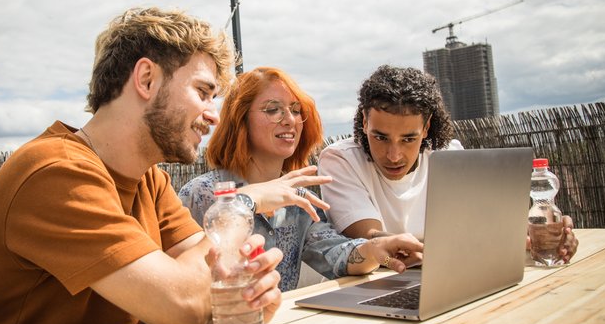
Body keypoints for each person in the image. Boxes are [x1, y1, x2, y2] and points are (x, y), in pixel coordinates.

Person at [0, 7, 283, 324]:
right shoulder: (53, 172)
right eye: (203, 92)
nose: (214, 115)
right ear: (146, 78)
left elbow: (212, 279)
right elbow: (184, 303)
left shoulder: (149, 179)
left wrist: (243, 293)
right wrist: (241, 203)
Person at [179, 67, 424, 291]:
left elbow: (334, 253)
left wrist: (375, 250)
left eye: (296, 110)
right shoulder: (202, 194)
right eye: (273, 109)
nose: (290, 119)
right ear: (240, 119)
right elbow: (180, 280)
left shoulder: (300, 201)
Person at [318, 64, 578, 262]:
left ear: (427, 126)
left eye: (409, 139)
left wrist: (540, 234)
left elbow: (485, 221)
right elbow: (370, 238)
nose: (394, 155)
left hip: (446, 276)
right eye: (380, 137)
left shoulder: (449, 156)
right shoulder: (340, 160)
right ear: (364, 122)